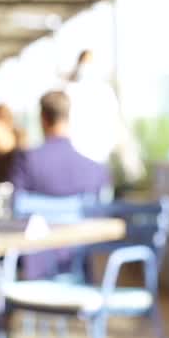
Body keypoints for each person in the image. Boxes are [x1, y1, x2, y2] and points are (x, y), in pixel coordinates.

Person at [10, 90, 110, 280]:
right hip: (79, 271)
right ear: (68, 117)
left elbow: (15, 207)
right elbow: (100, 217)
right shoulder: (95, 170)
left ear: (43, 119)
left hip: (34, 271)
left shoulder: (27, 160)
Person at [64, 49, 145, 184]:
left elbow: (115, 126)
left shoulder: (103, 92)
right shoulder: (71, 90)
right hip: (79, 163)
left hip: (98, 162)